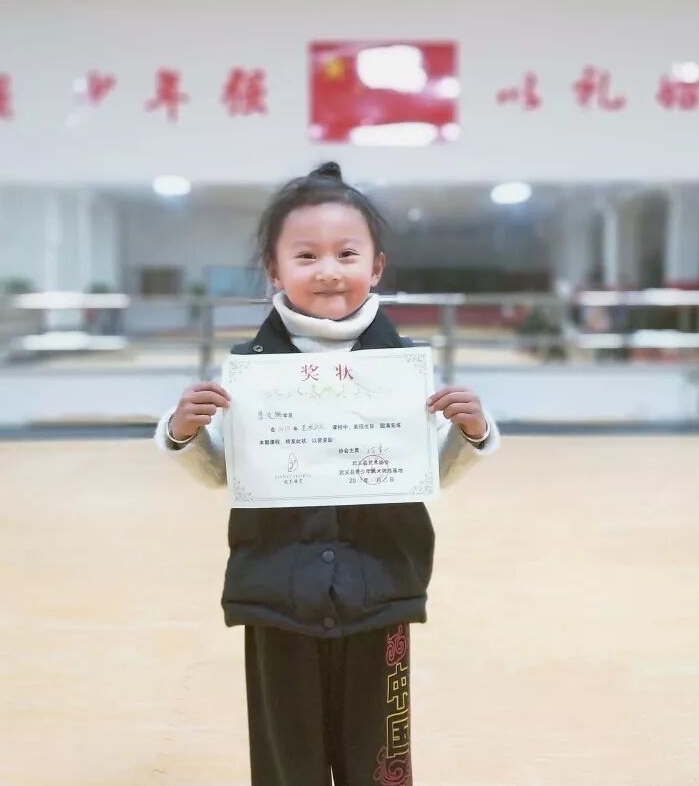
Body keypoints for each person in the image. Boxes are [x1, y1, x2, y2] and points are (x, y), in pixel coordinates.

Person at [155, 162, 499, 785]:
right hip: (277, 594)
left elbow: (425, 475)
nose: (328, 270)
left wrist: (469, 433)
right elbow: (229, 475)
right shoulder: (251, 371)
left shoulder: (401, 369)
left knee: (381, 764)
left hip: (381, 591)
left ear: (376, 266)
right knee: (288, 766)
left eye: (346, 253)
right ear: (275, 269)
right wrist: (185, 432)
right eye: (306, 255)